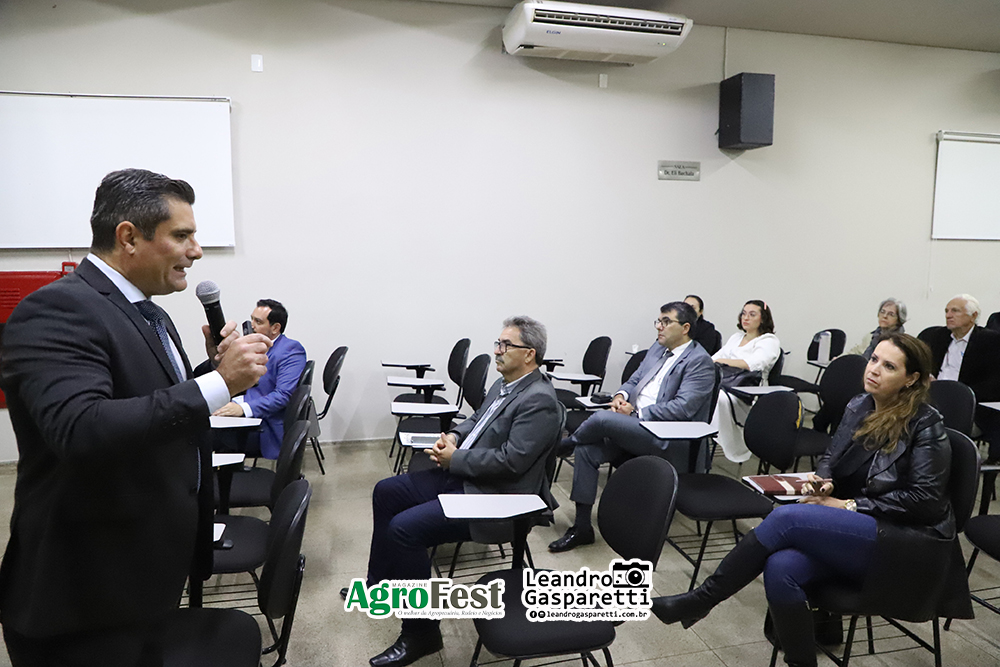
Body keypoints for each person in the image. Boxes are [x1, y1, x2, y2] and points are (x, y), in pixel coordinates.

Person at [0, 169, 271, 666]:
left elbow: (151, 400)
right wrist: (219, 383)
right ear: (128, 237)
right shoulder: (57, 308)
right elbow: (82, 427)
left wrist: (212, 373)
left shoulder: (149, 312)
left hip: (139, 576)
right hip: (83, 596)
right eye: (182, 236)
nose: (196, 251)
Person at [649, 333, 972, 667]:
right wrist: (826, 482)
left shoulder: (925, 424)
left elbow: (924, 501)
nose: (874, 369)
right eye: (874, 359)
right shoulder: (860, 404)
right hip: (865, 525)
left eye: (889, 366)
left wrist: (848, 505)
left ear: (911, 379)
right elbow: (831, 456)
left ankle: (701, 600)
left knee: (786, 520)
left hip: (909, 543)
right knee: (781, 567)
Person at [361, 316, 562, 667]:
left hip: (500, 497)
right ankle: (381, 584)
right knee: (386, 492)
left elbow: (511, 462)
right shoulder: (505, 383)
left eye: (505, 345)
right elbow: (477, 419)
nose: (497, 350)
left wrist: (456, 459)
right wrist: (453, 436)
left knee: (405, 529)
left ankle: (422, 633)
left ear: (529, 354)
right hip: (469, 476)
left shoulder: (540, 400)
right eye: (497, 343)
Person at [548, 301, 715, 553]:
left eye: (666, 321)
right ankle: (582, 527)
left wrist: (636, 412)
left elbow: (683, 408)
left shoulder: (700, 362)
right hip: (635, 427)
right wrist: (621, 396)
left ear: (685, 328)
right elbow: (634, 379)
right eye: (658, 321)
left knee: (601, 419)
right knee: (587, 449)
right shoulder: (657, 349)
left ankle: (567, 444)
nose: (659, 326)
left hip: (666, 436)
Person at [211, 299, 307, 459]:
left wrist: (242, 409)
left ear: (275, 328)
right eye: (252, 320)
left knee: (204, 435)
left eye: (258, 322)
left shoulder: (290, 350)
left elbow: (283, 395)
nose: (252, 326)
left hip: (266, 427)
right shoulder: (254, 348)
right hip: (249, 407)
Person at [922, 294, 1000, 463]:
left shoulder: (991, 342)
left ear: (973, 316)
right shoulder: (936, 337)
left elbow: (994, 383)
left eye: (955, 311)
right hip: (932, 397)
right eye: (947, 311)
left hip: (968, 406)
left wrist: (957, 391)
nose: (948, 315)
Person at [711, 300, 781, 462]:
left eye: (752, 314)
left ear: (763, 319)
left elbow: (754, 364)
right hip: (725, 384)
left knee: (719, 398)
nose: (746, 318)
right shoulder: (736, 337)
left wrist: (722, 361)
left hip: (748, 390)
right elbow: (714, 359)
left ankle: (733, 446)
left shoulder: (769, 341)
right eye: (743, 314)